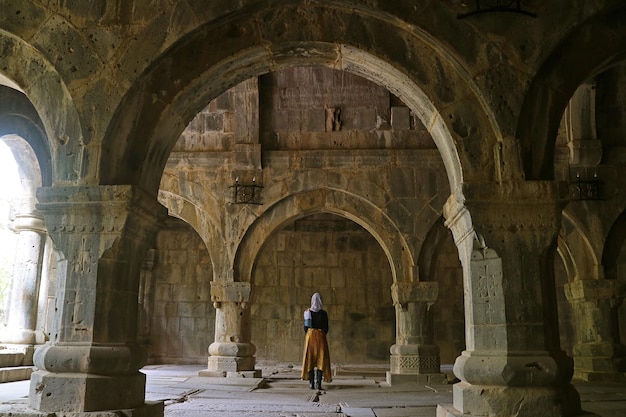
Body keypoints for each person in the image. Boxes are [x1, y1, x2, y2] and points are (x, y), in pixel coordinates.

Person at [301, 292, 332, 390]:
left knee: (309, 359)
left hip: (310, 338)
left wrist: (311, 333)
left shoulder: (307, 312)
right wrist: (320, 334)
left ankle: (311, 384)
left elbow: (306, 328)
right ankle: (318, 383)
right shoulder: (323, 313)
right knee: (321, 359)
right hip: (321, 338)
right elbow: (326, 328)